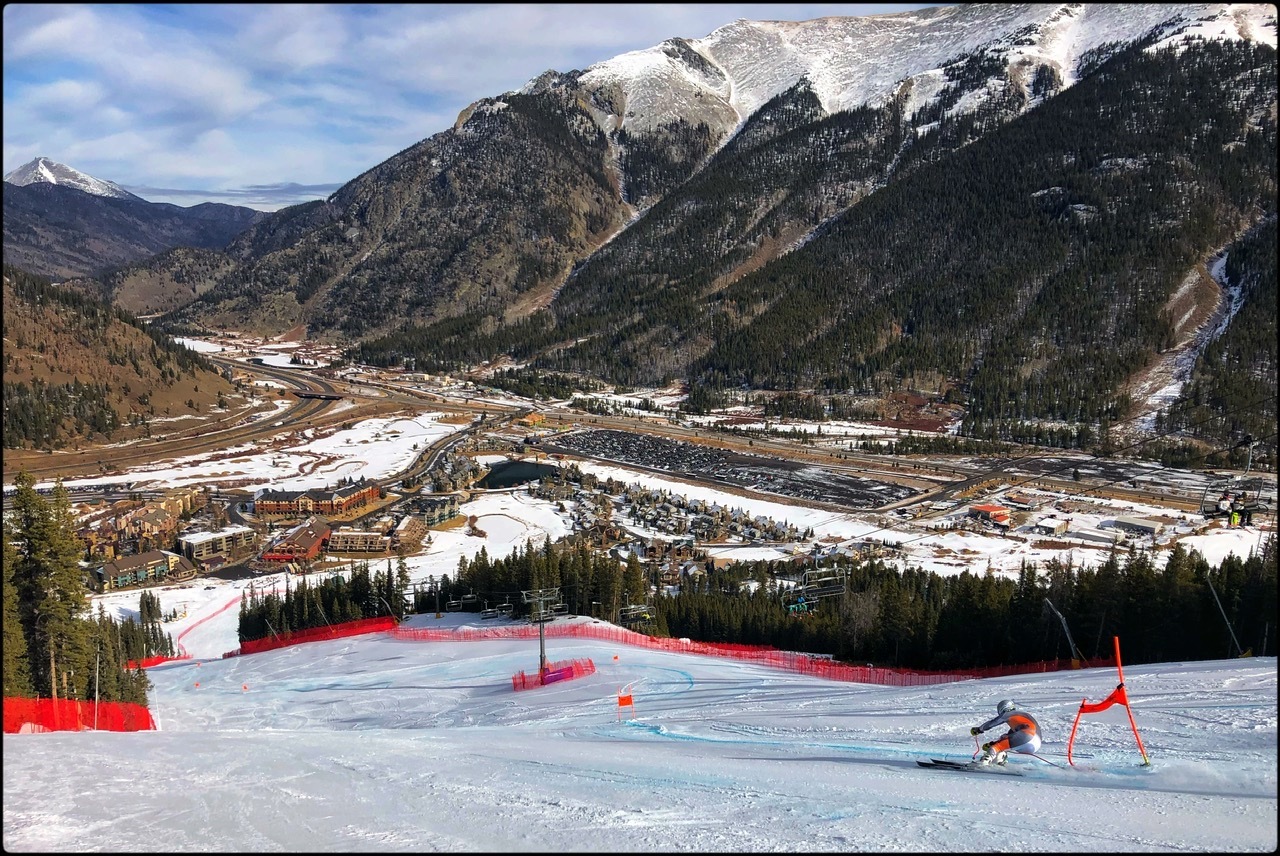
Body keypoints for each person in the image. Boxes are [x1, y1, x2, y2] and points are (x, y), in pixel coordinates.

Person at [969, 699, 1041, 765]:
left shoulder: (1010, 713)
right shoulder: (1020, 718)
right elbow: (1010, 737)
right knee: (1003, 739)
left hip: (1027, 736)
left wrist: (979, 729)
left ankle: (984, 762)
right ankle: (999, 761)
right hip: (1035, 744)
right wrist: (992, 744)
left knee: (997, 747)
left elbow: (994, 722)